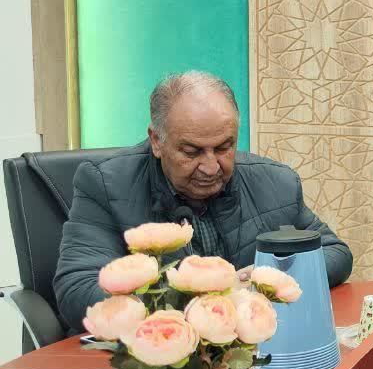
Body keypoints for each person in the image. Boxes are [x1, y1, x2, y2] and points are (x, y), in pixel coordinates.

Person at [54, 71, 353, 332]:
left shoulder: (275, 183)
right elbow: (78, 291)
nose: (211, 167)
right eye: (192, 152)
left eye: (224, 148)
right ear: (157, 141)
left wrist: (267, 280)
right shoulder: (106, 185)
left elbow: (335, 254)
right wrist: (206, 297)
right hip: (152, 358)